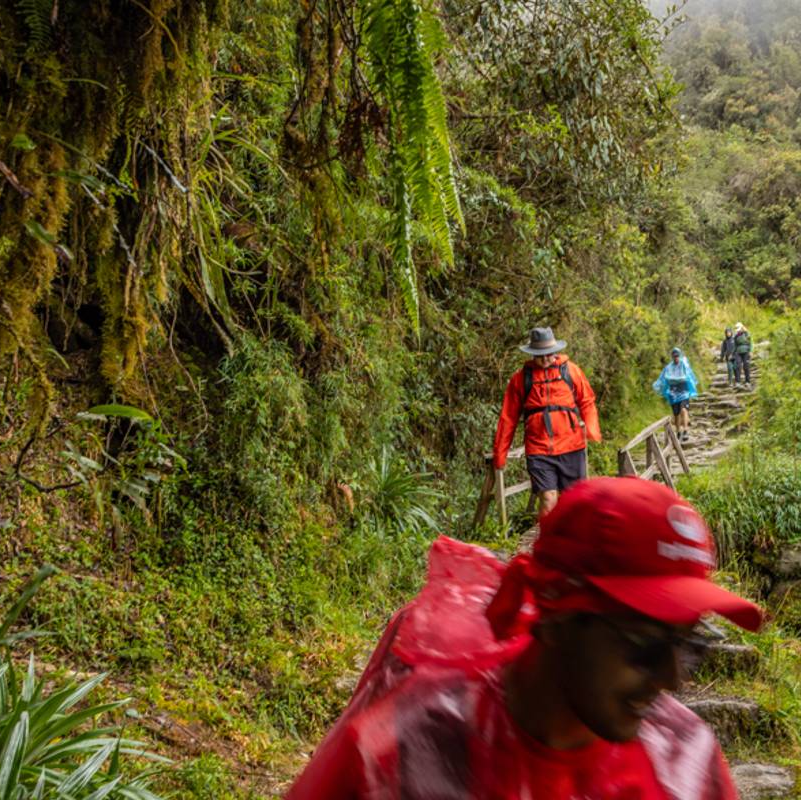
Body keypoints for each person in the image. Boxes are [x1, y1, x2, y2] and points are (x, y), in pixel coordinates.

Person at [285, 477, 765, 799]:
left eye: (689, 644)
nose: (672, 679)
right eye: (644, 644)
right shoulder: (406, 755)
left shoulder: (687, 762)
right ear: (556, 615)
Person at [492, 327, 601, 513]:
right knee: (548, 497)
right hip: (538, 449)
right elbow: (508, 418)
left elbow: (587, 401)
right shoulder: (521, 379)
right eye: (540, 355)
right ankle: (547, 541)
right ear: (533, 354)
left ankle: (572, 541)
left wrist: (592, 429)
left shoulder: (571, 371)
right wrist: (500, 453)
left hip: (571, 446)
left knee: (573, 500)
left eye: (549, 354)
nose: (545, 359)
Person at [654, 347, 698, 442]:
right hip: (673, 393)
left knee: (684, 410)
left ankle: (685, 430)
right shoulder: (669, 367)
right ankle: (678, 432)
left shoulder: (684, 365)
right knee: (676, 414)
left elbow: (689, 375)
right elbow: (663, 378)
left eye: (677, 356)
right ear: (672, 357)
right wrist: (658, 387)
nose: (676, 358)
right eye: (674, 356)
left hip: (683, 391)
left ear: (680, 355)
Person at [732, 322, 753, 387]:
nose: (738, 331)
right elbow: (735, 345)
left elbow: (751, 343)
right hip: (738, 352)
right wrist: (733, 353)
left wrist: (751, 351)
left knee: (746, 366)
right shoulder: (736, 336)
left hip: (746, 351)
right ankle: (738, 381)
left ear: (742, 328)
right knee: (738, 366)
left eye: (739, 329)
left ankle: (748, 381)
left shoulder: (747, 334)